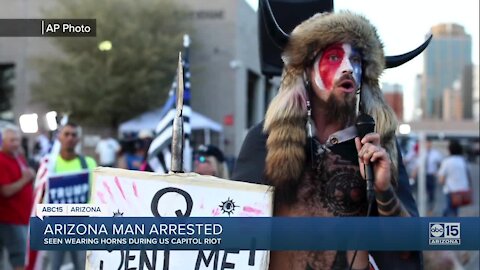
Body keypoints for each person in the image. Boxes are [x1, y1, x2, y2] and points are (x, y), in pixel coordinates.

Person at [232, 5, 429, 270]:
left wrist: (383, 190)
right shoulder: (264, 140)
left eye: (356, 60)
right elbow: (234, 232)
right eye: (335, 58)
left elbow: (408, 250)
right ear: (306, 71)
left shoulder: (376, 145)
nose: (348, 68)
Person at [48, 122, 96, 270]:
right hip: (55, 226)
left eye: (73, 135)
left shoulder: (88, 163)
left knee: (82, 266)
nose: (70, 138)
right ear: (59, 138)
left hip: (81, 226)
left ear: (78, 139)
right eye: (66, 134)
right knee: (54, 265)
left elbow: (95, 194)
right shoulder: (50, 164)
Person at [0, 125, 35, 270]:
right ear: (3, 141)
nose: (16, 143)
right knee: (20, 259)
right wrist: (25, 179)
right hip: (11, 219)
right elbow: (6, 191)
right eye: (12, 140)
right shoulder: (2, 160)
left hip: (22, 217)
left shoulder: (18, 156)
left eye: (18, 140)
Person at [438, 140, 470, 217]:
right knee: (454, 209)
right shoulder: (464, 161)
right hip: (462, 190)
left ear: (450, 150)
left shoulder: (447, 161)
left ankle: (447, 225)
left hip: (451, 190)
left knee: (450, 209)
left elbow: (441, 179)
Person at [412, 139, 443, 215]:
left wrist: (438, 173)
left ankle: (430, 210)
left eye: (428, 143)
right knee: (420, 192)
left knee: (431, 194)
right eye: (426, 143)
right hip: (422, 176)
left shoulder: (436, 154)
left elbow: (441, 164)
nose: (427, 145)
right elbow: (418, 165)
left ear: (430, 144)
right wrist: (413, 175)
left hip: (431, 176)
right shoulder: (422, 153)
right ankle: (420, 208)